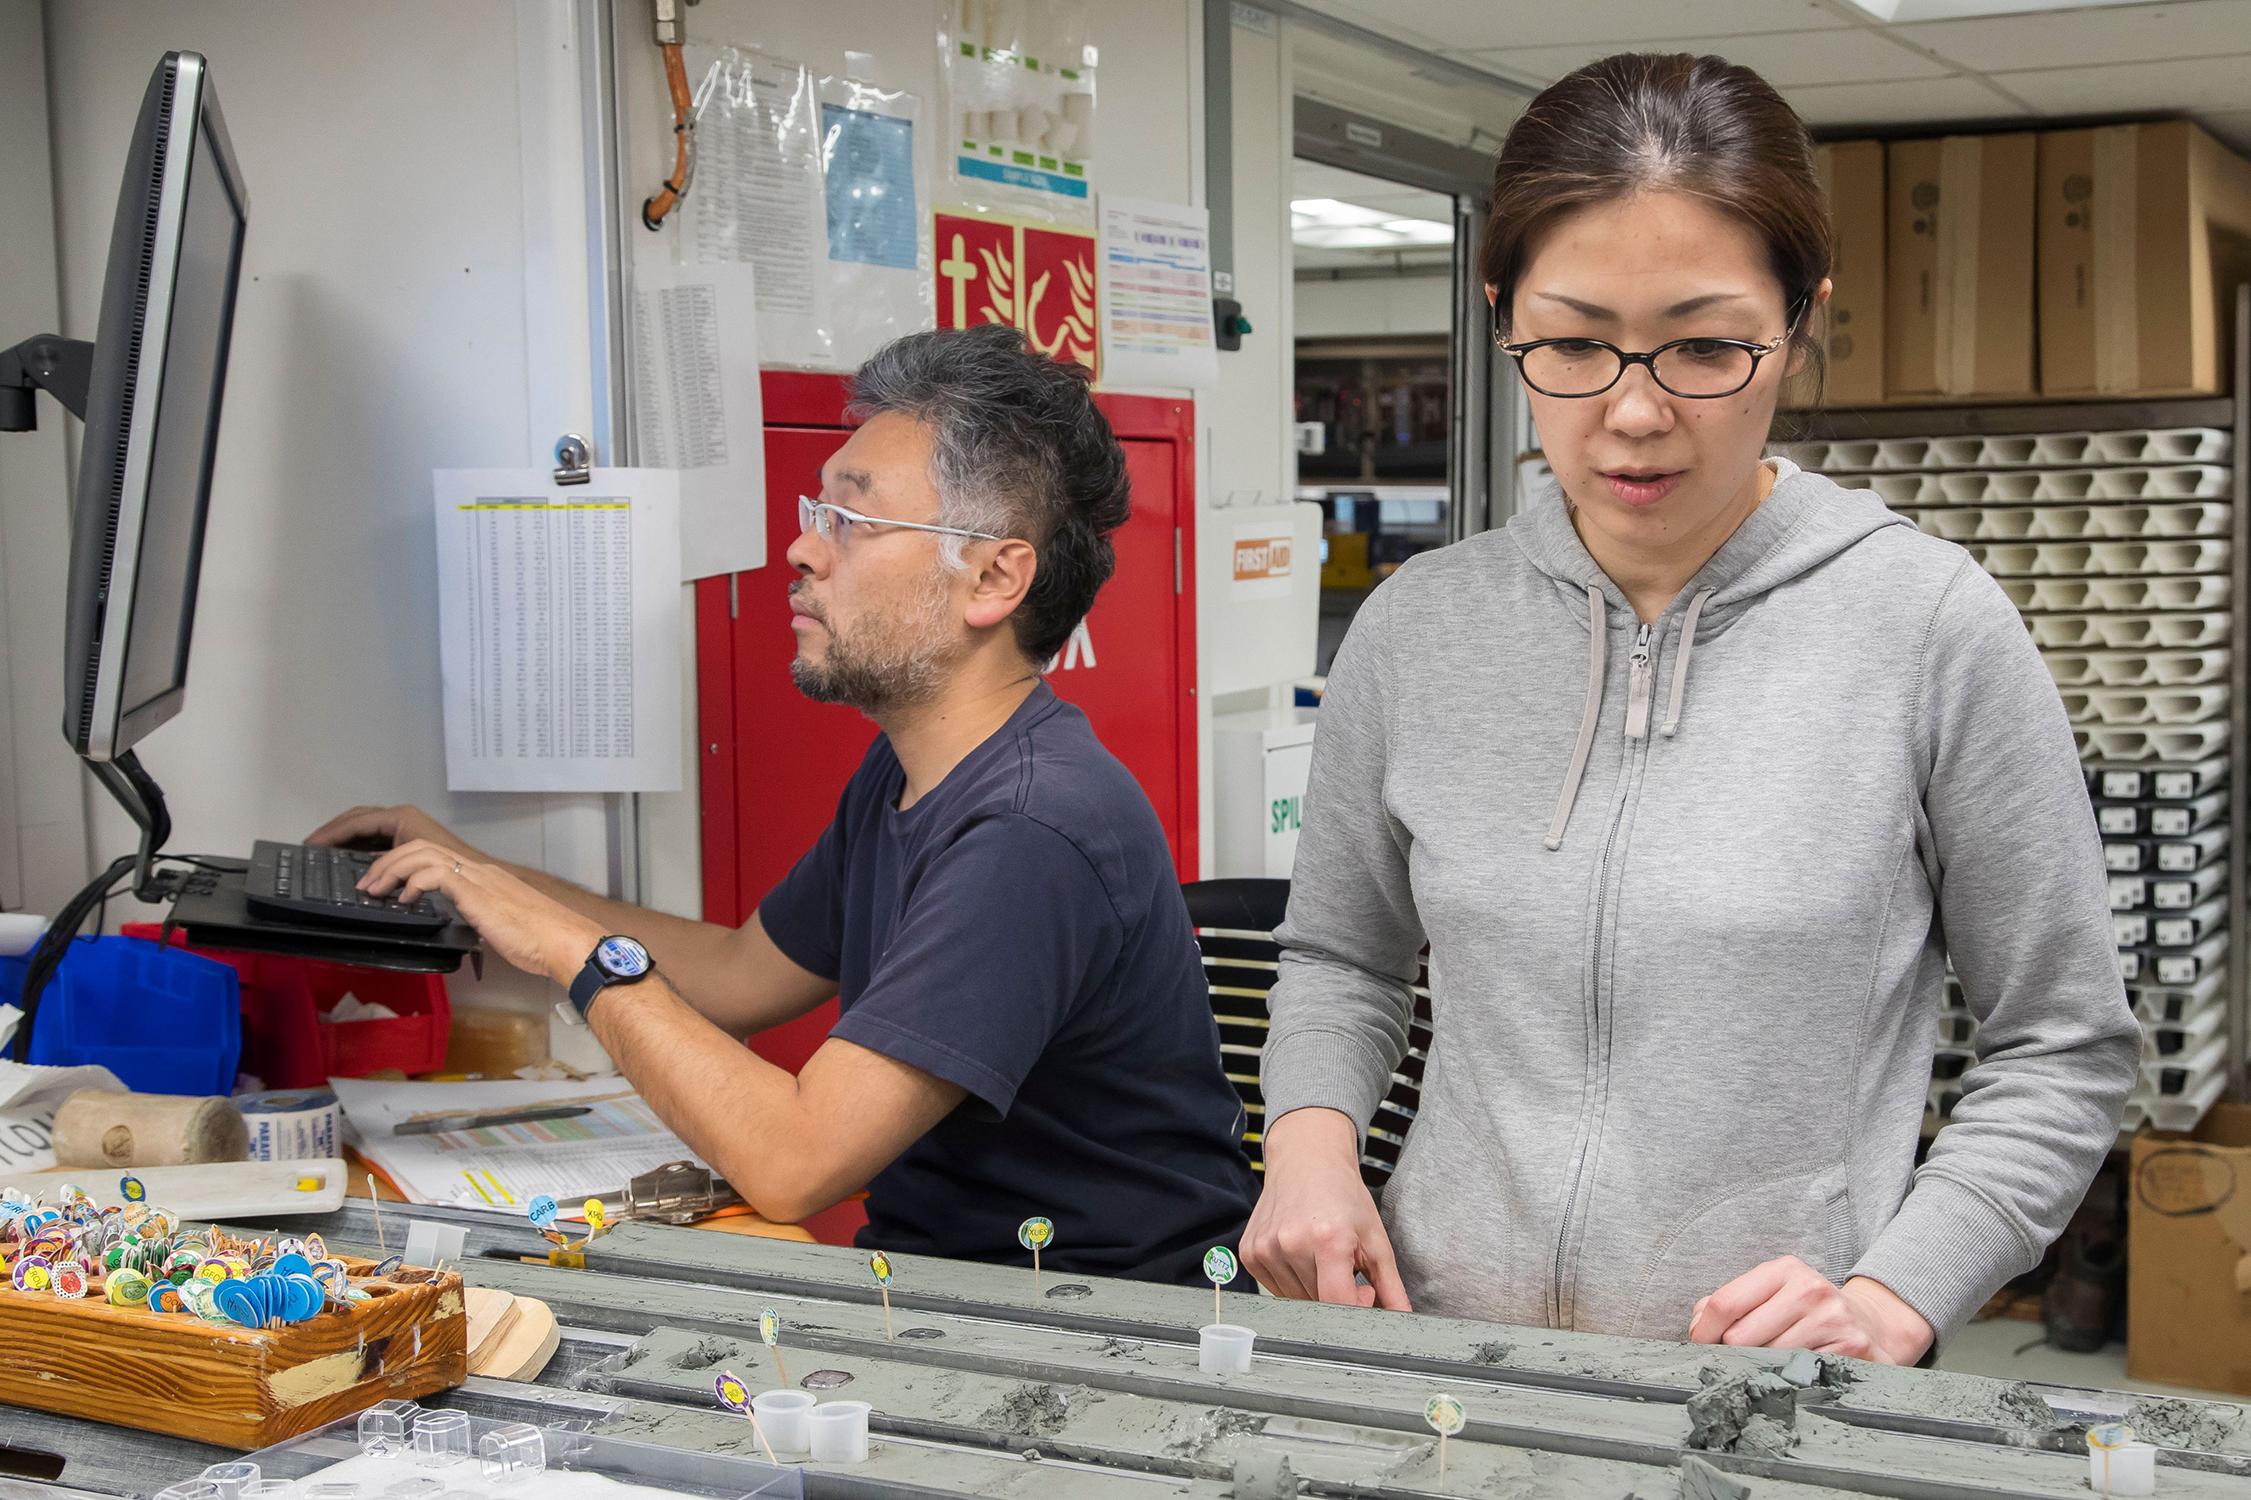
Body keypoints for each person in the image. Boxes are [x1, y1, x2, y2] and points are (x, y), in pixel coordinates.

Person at [1242, 53, 2138, 1363]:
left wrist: (1888, 1299)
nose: (1633, 411)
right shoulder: (1419, 631)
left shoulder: (1927, 630)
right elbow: (1341, 959)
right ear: (1500, 313)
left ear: (1798, 317)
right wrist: (1309, 1151)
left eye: (1706, 345)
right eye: (1568, 344)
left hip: (1771, 1389)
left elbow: (2061, 1041)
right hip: (1442, 1364)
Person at [314, 325, 1258, 1283]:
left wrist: (567, 949)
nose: (803, 548)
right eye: (817, 510)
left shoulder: (1030, 826)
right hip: (955, 1289)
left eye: (853, 518)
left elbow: (793, 1163)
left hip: (1103, 1336)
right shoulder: (911, 774)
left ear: (992, 578)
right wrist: (479, 875)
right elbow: (732, 977)